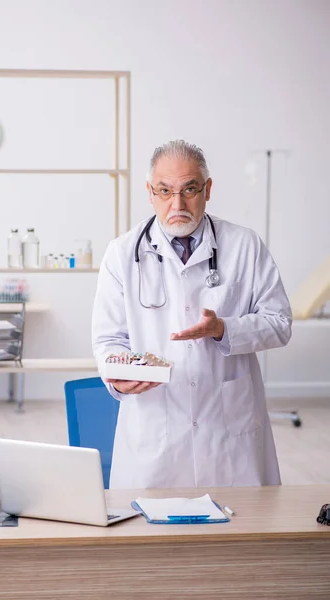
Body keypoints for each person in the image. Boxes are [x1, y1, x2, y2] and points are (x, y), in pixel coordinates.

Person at [92, 140, 292, 489]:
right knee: (149, 537)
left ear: (208, 189)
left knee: (239, 534)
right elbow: (108, 339)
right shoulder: (122, 254)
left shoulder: (245, 246)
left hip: (229, 433)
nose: (177, 204)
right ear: (149, 192)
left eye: (189, 189)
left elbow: (279, 323)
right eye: (165, 191)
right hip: (155, 429)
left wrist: (224, 330)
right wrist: (117, 374)